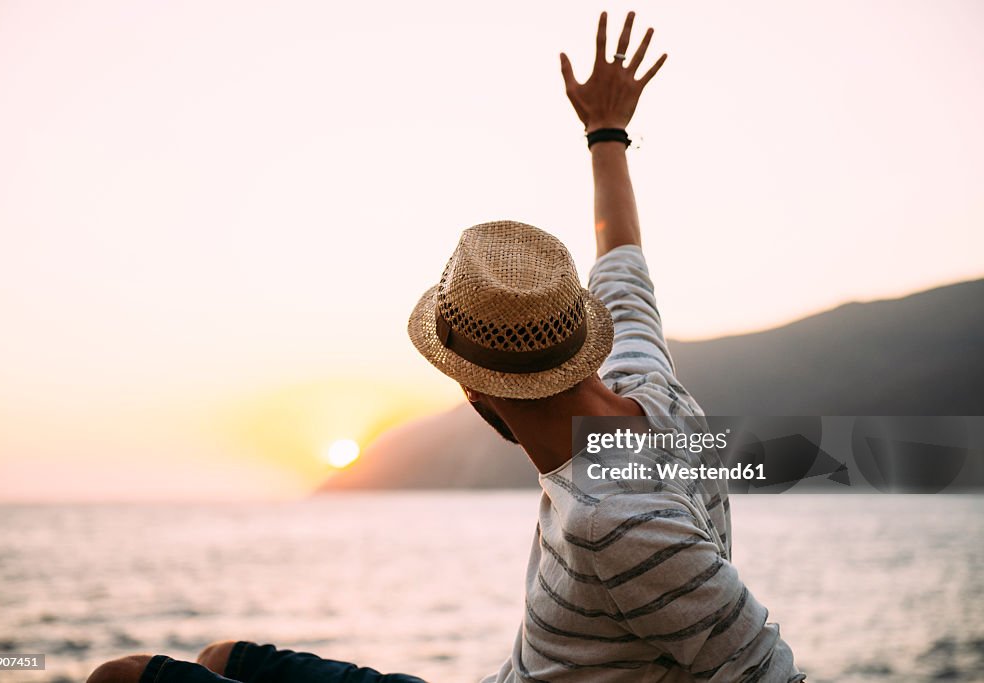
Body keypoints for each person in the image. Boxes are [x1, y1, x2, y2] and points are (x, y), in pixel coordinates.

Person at [88, 12, 803, 683]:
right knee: (221, 658)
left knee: (120, 677)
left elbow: (765, 670)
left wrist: (605, 127)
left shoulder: (610, 522)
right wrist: (605, 132)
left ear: (474, 389)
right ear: (580, 337)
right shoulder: (648, 381)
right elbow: (622, 248)